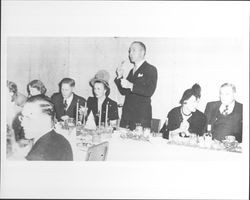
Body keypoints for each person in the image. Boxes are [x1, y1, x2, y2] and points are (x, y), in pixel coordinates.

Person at [114, 41, 158, 130]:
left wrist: (131, 85)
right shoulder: (132, 71)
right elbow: (124, 92)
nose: (130, 53)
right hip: (127, 116)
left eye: (133, 50)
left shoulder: (151, 69)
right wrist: (120, 76)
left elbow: (149, 91)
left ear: (142, 52)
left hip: (141, 116)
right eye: (130, 51)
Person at [20, 96, 73, 160]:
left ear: (46, 119)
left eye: (28, 118)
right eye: (22, 117)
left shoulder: (36, 157)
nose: (22, 124)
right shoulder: (62, 139)